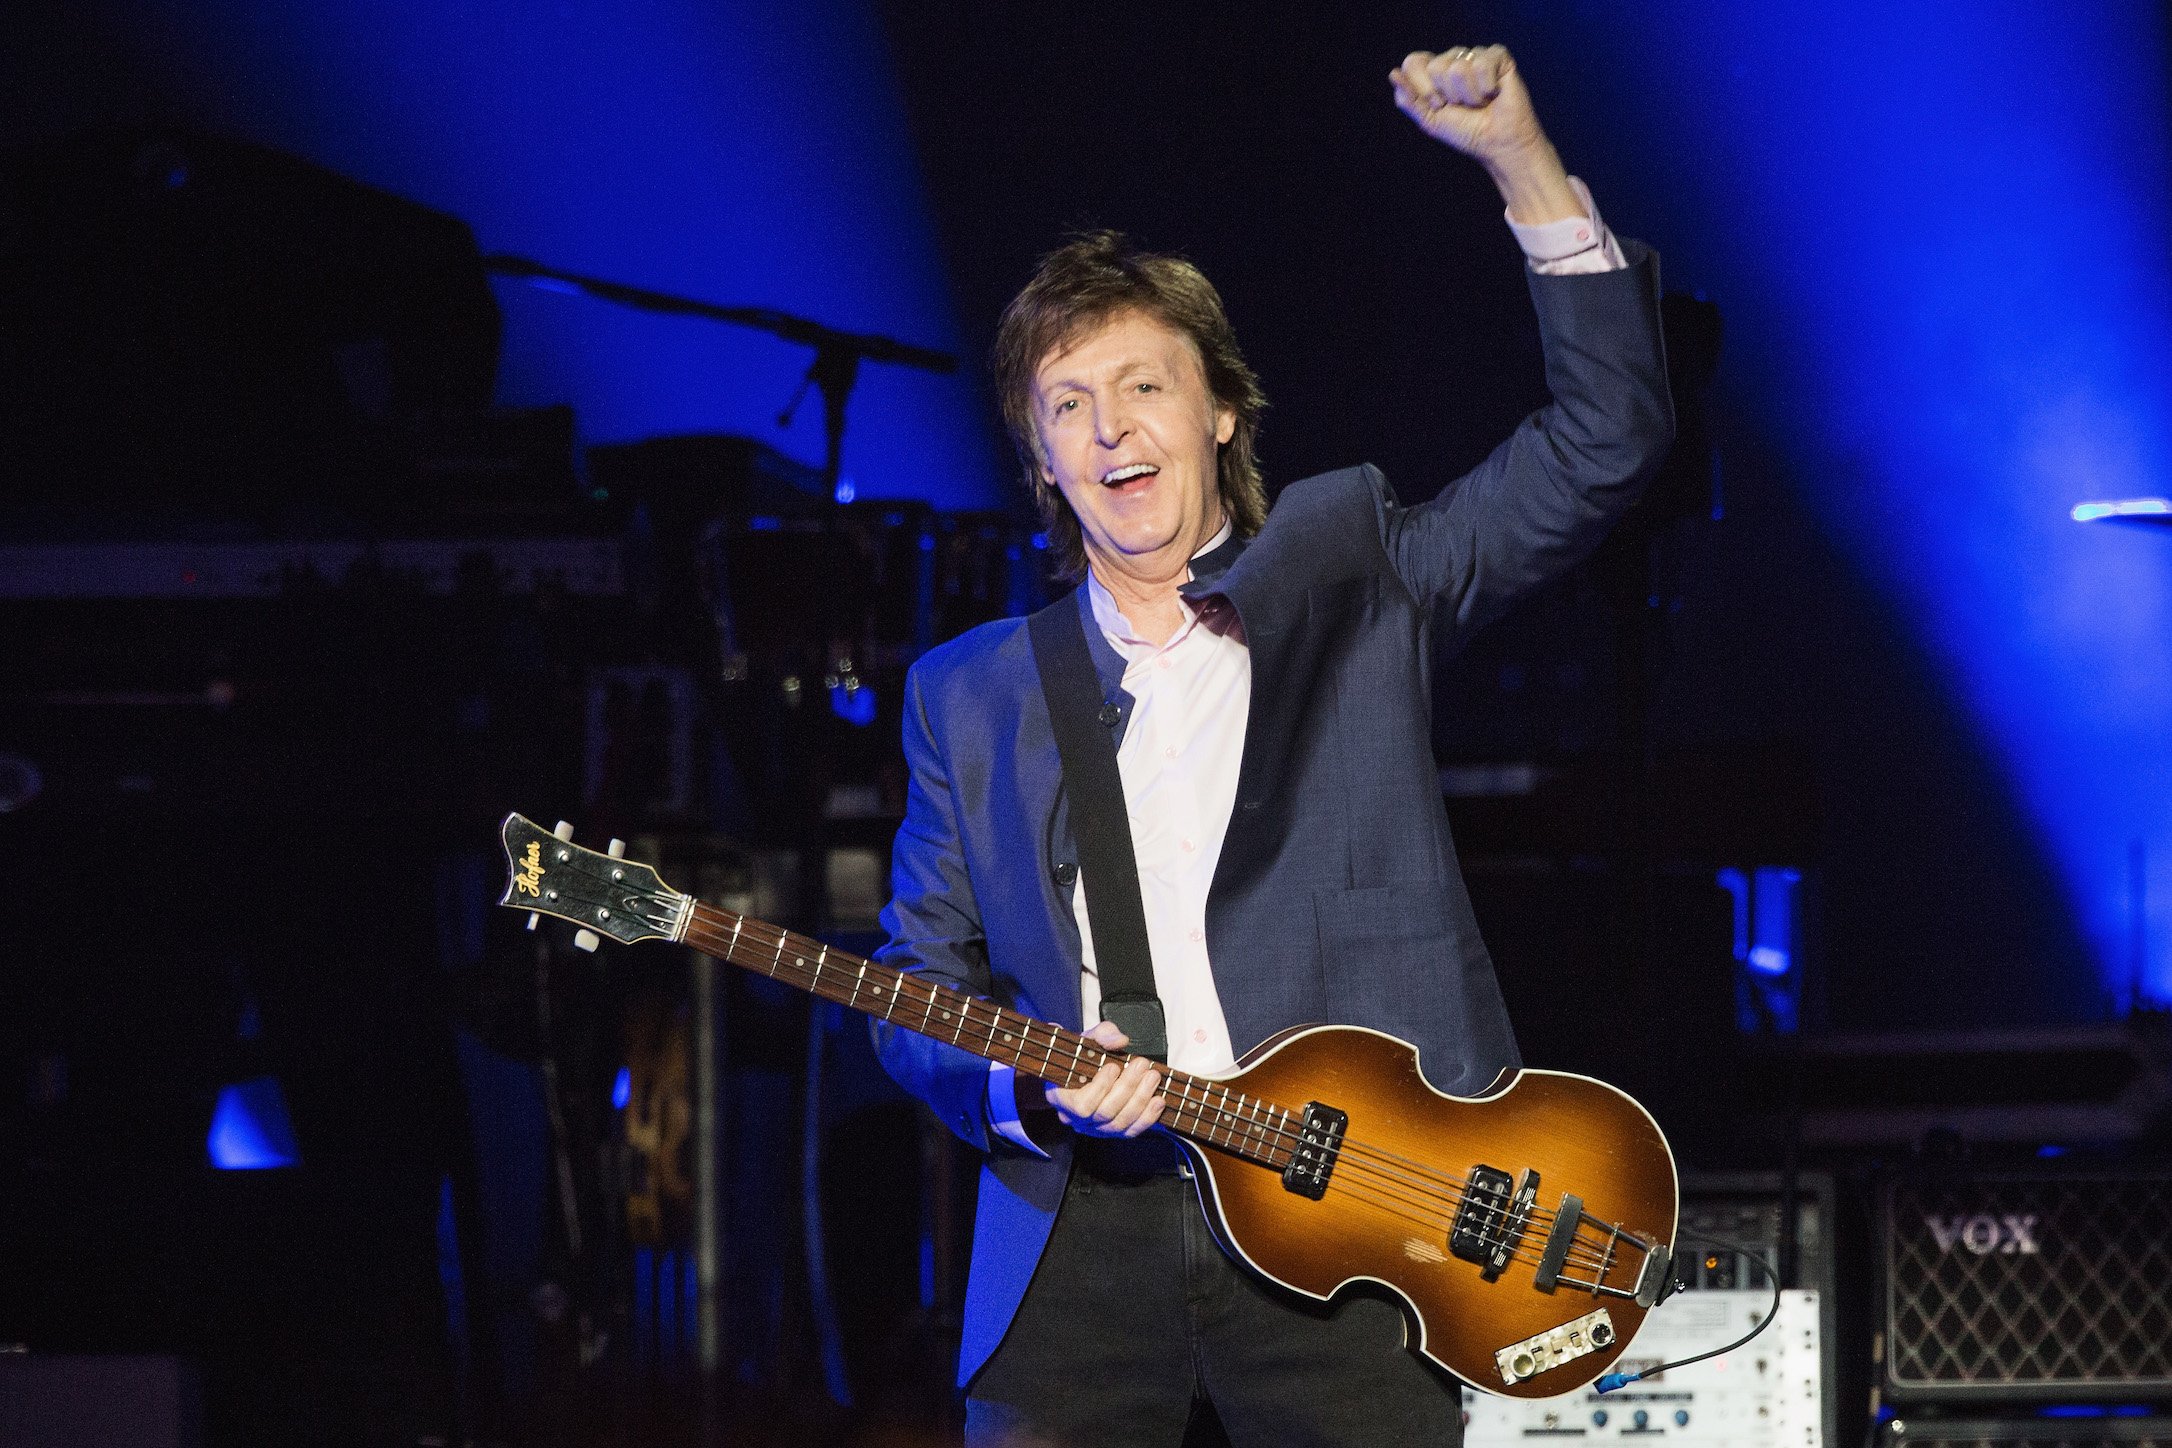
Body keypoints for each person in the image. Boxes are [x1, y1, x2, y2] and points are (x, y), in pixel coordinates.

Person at [872, 44, 1673, 1447]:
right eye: (1069, 405)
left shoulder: (1355, 574)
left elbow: (1607, 441)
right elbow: (912, 979)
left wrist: (1521, 165)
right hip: (1077, 1246)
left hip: (1351, 1225)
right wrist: (1022, 1086)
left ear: (1219, 410)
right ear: (1041, 461)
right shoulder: (970, 694)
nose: (1111, 428)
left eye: (1143, 387)